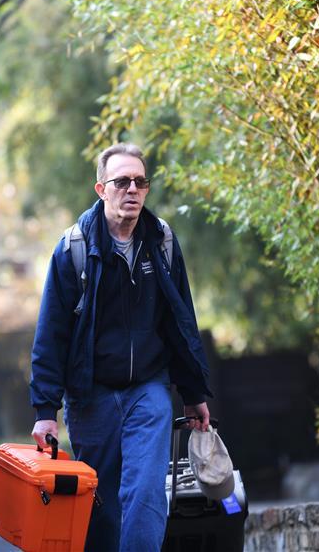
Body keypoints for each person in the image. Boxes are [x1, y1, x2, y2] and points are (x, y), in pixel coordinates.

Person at [30, 143, 212, 552]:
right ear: (101, 189)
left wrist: (194, 392)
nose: (132, 189)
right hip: (90, 395)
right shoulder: (73, 248)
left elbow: (181, 320)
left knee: (145, 492)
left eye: (140, 181)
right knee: (102, 506)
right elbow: (51, 334)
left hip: (148, 390)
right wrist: (45, 412)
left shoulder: (161, 241)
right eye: (122, 181)